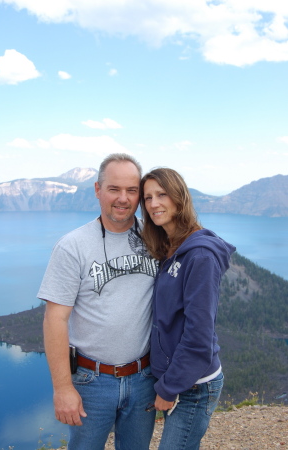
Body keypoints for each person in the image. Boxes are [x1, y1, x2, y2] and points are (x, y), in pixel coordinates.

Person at [38, 153, 159, 450]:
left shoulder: (155, 236)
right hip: (93, 382)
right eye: (114, 189)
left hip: (145, 377)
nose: (123, 198)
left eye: (132, 191)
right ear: (97, 190)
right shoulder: (73, 246)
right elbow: (55, 318)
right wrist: (63, 388)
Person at [140, 168, 236, 450]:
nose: (154, 203)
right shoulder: (171, 247)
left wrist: (170, 388)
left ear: (179, 197)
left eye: (162, 194)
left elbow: (199, 334)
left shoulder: (201, 255)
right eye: (147, 198)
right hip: (177, 378)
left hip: (195, 385)